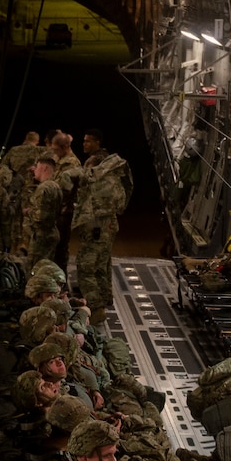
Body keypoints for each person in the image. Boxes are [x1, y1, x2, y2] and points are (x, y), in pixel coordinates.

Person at [70, 129, 131, 320]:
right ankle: (105, 297)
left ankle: (96, 309)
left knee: (86, 265)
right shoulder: (113, 165)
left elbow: (85, 191)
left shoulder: (95, 165)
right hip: (110, 222)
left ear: (97, 142)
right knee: (102, 262)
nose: (84, 144)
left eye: (88, 141)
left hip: (95, 224)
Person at [24, 157, 64, 264]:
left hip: (41, 237)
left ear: (44, 168)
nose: (35, 170)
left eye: (37, 167)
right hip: (51, 232)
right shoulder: (56, 186)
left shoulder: (43, 188)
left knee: (35, 269)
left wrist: (28, 212)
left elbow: (40, 216)